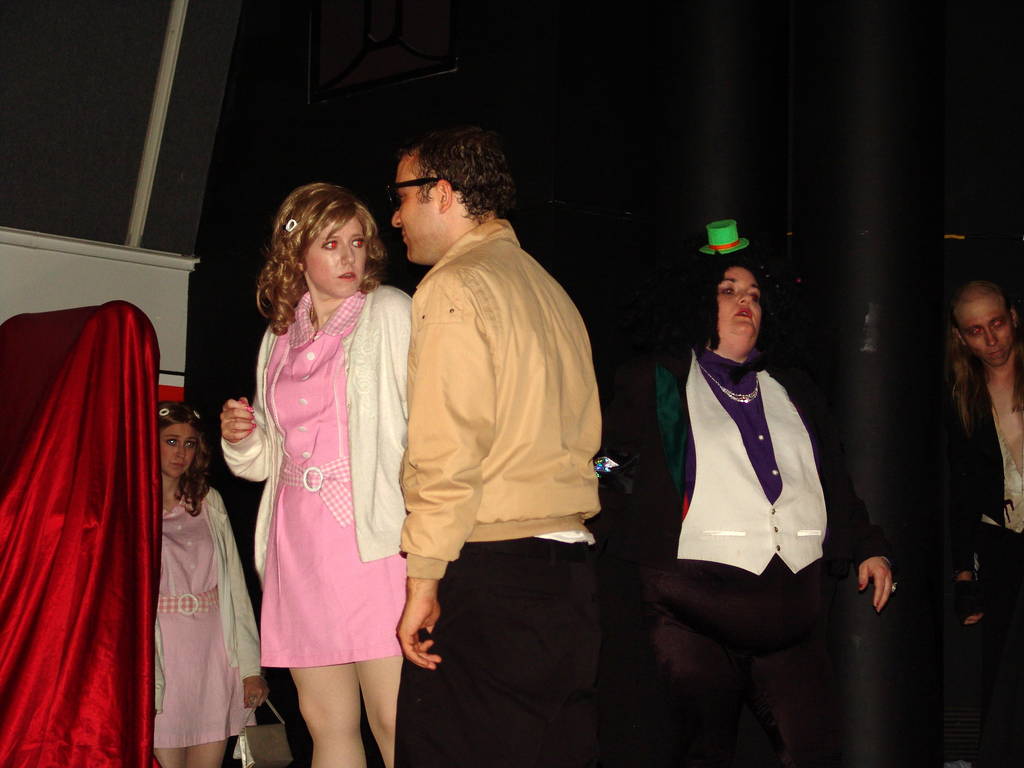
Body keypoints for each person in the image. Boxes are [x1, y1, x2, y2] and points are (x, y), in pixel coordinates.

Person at [596, 220, 893, 767]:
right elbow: (610, 463)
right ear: (696, 301)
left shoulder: (794, 387)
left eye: (754, 295)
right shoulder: (657, 380)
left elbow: (833, 478)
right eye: (728, 290)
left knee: (816, 751)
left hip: (792, 612)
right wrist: (596, 488)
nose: (745, 303)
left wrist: (869, 545)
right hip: (691, 611)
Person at [389, 125, 602, 768]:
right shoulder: (548, 288)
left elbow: (447, 451)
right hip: (569, 576)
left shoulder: (455, 286)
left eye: (402, 196)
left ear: (442, 192)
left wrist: (423, 580)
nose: (395, 217)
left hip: (493, 574)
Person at [219, 182, 411, 768]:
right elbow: (266, 459)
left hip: (371, 539)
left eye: (357, 241)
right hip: (298, 545)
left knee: (395, 718)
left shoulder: (389, 310)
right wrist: (242, 437)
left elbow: (428, 420)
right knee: (326, 724)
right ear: (297, 253)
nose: (349, 256)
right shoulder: (279, 335)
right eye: (331, 244)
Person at [154, 401, 268, 768]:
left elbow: (235, 590)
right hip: (162, 657)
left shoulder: (208, 501)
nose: (181, 453)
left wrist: (250, 669)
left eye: (189, 444)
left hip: (212, 654)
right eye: (171, 441)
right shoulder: (130, 504)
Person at [946, 280, 1024, 724]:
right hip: (1002, 544)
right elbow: (962, 491)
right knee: (1003, 674)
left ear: (1013, 317)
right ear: (961, 337)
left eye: (997, 324)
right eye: (976, 330)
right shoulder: (962, 398)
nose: (991, 340)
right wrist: (963, 575)